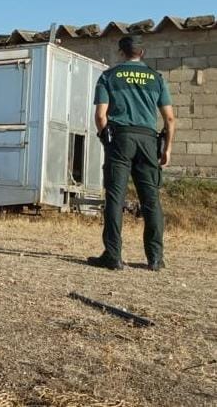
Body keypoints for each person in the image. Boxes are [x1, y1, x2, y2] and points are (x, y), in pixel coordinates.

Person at [88, 36, 175, 271]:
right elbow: (169, 118)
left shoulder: (108, 76)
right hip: (148, 141)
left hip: (120, 138)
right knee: (151, 200)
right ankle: (155, 258)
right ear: (142, 52)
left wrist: (106, 137)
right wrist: (167, 147)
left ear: (121, 52)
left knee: (115, 198)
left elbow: (100, 116)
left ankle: (113, 256)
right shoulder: (156, 78)